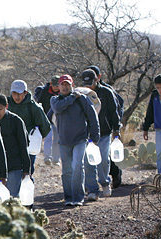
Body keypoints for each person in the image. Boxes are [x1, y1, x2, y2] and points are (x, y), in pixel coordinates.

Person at [50, 74, 100, 207]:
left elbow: (92, 117)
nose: (65, 87)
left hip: (80, 139)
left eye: (67, 84)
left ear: (72, 85)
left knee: (78, 166)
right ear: (59, 87)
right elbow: (58, 109)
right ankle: (69, 198)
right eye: (63, 84)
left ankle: (78, 197)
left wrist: (95, 137)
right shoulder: (55, 100)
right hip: (64, 141)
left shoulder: (82, 99)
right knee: (67, 170)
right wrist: (72, 97)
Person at [81, 68, 121, 201]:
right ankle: (92, 189)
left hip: (104, 132)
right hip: (87, 134)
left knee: (103, 159)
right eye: (86, 83)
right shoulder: (81, 93)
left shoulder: (106, 92)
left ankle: (104, 181)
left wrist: (117, 130)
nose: (88, 86)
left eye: (91, 83)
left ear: (97, 80)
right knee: (88, 162)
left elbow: (114, 112)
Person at [0, 93, 30, 197]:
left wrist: (26, 170)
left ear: (6, 107)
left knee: (12, 199)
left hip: (14, 166)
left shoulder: (16, 121)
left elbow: (23, 146)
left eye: (0, 108)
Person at [8, 79, 51, 174]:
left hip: (28, 145)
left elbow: (45, 126)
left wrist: (36, 138)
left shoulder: (33, 107)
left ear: (25, 93)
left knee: (27, 172)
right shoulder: (6, 105)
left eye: (19, 93)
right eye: (14, 93)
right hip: (9, 144)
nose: (16, 96)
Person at [35, 75, 60, 165]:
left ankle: (56, 159)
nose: (56, 87)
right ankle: (47, 158)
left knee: (57, 139)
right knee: (48, 138)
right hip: (47, 118)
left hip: (59, 120)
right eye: (55, 85)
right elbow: (38, 103)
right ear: (51, 84)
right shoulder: (44, 91)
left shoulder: (63, 92)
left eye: (58, 85)